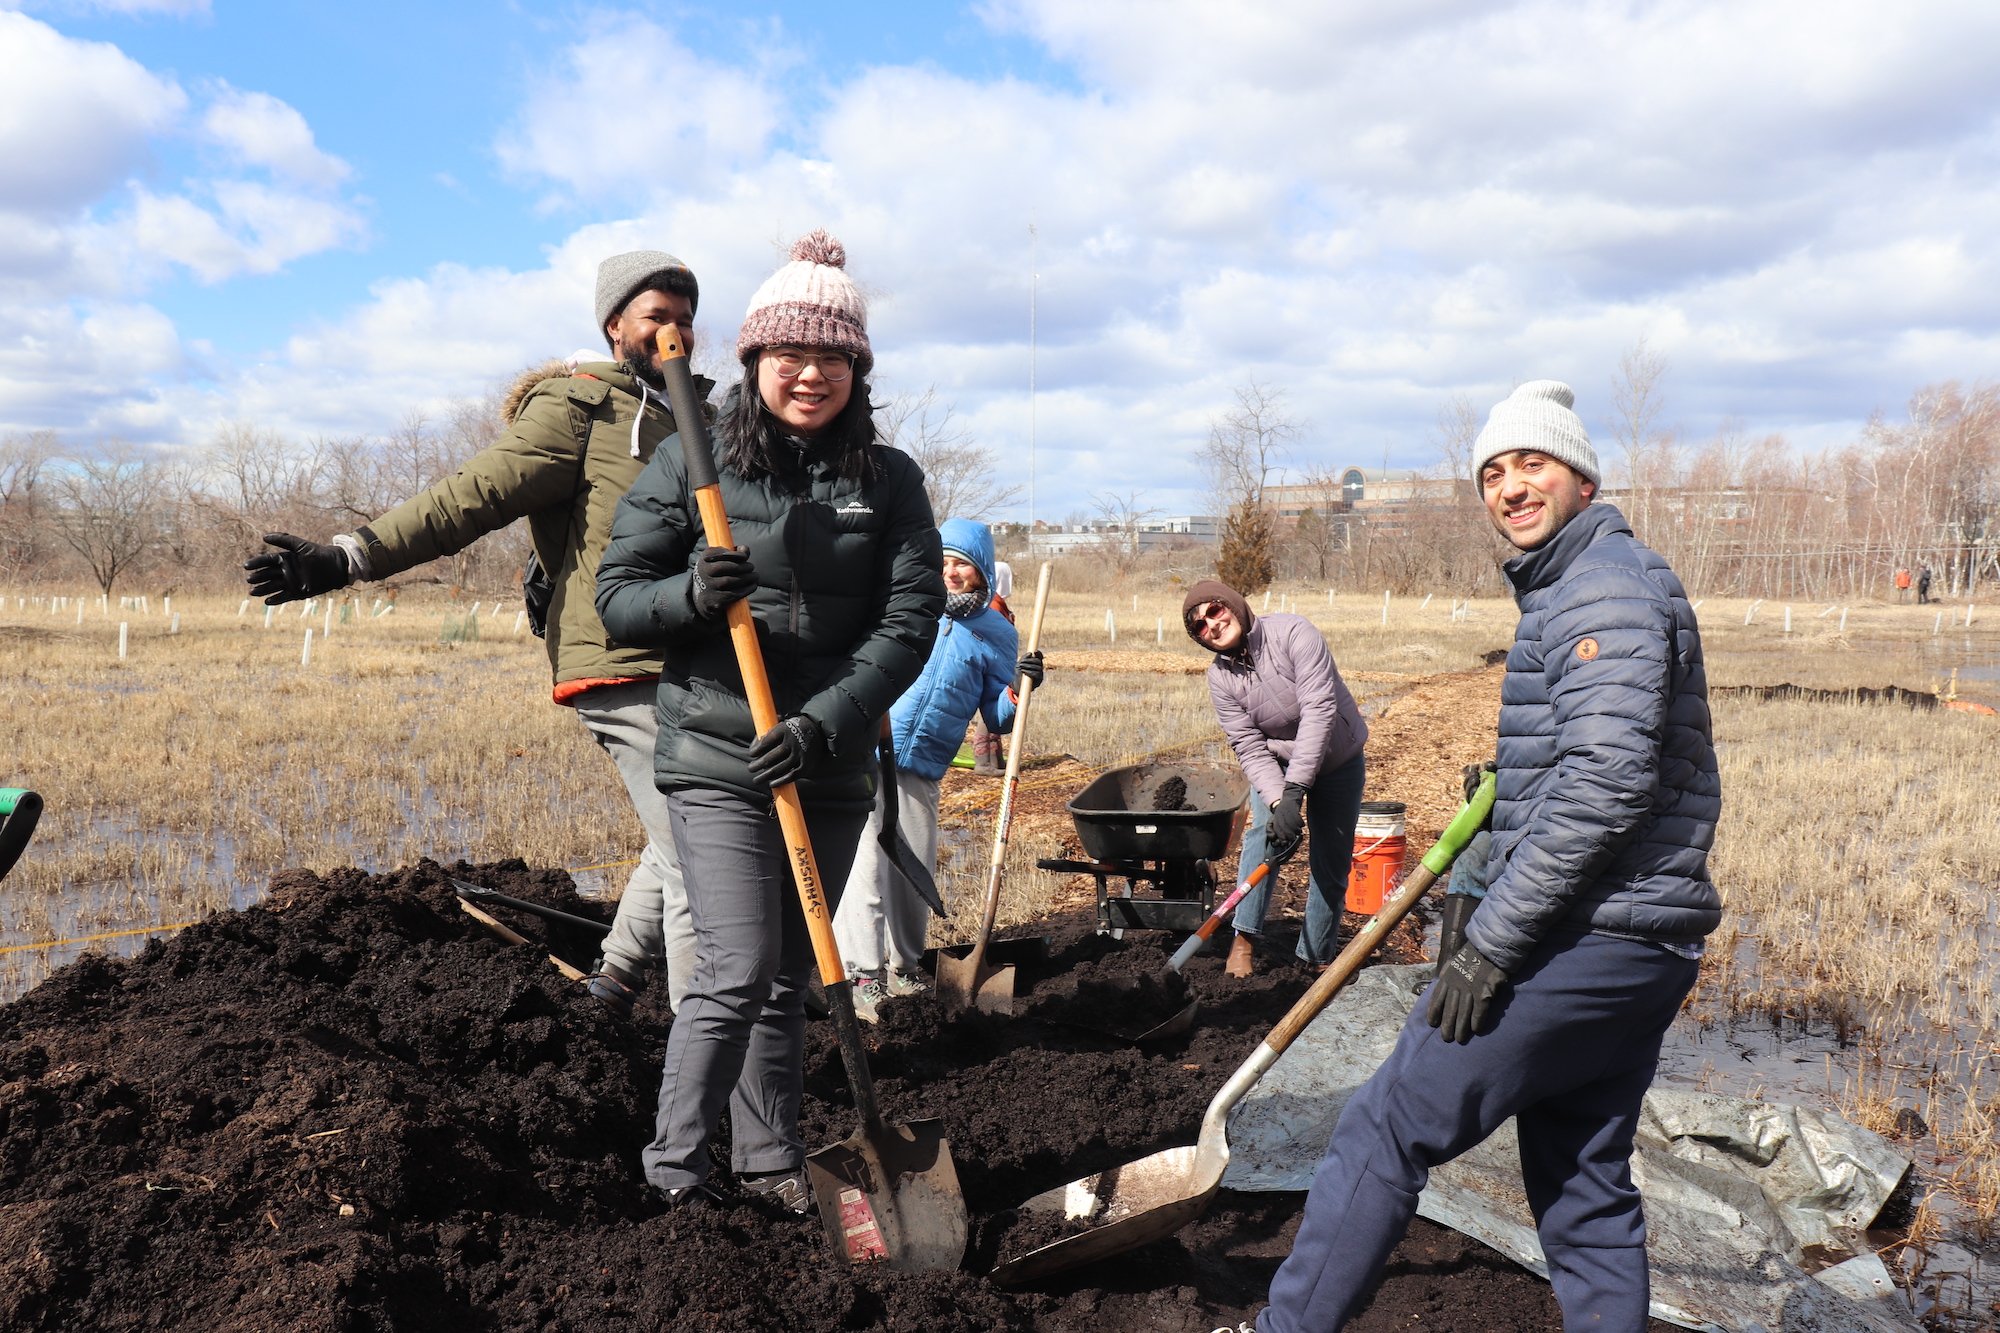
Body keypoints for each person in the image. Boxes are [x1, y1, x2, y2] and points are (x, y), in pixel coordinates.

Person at [1237, 380, 1722, 1333]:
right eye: (1492, 473)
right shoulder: (1581, 582)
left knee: (1385, 1124)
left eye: (1531, 463)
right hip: (1643, 947)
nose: (1509, 487)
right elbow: (1579, 768)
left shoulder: (1602, 585)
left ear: (1582, 476)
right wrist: (1478, 870)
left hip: (1589, 936)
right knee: (1582, 1181)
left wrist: (1492, 943)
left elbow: (1608, 784)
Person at [243, 251, 708, 1019]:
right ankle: (708, 1054)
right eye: (657, 316)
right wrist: (350, 556)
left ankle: (613, 987)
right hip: (623, 660)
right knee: (704, 857)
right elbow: (471, 496)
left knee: (683, 834)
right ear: (615, 324)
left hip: (691, 658)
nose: (674, 333)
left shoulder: (684, 415)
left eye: (687, 320)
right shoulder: (580, 407)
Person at [595, 231, 943, 1212]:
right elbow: (617, 595)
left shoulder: (888, 480)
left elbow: (907, 621)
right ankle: (674, 1174)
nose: (809, 374)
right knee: (737, 966)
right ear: (753, 361)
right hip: (716, 749)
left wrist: (828, 720)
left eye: (831, 357)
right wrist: (691, 596)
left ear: (855, 369)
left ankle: (768, 1160)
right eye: (789, 355)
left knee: (791, 975)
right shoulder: (688, 463)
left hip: (825, 762)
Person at [832, 518, 1043, 1020]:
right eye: (943, 562)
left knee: (912, 873)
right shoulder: (903, 606)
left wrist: (1019, 690)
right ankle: (864, 975)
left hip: (924, 763)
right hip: (868, 751)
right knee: (865, 868)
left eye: (962, 565)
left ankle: (904, 968)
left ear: (981, 572)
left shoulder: (995, 633)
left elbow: (995, 716)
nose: (950, 572)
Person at [1182, 578, 1367, 974]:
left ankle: (1314, 958)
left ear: (1232, 604)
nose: (1211, 625)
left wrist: (1296, 791)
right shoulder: (1220, 677)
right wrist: (1278, 801)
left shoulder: (1293, 633)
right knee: (1261, 841)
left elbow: (1319, 710)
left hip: (1337, 758)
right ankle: (1243, 940)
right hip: (1278, 764)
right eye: (1199, 625)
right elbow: (1247, 745)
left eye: (1215, 611)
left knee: (1331, 861)